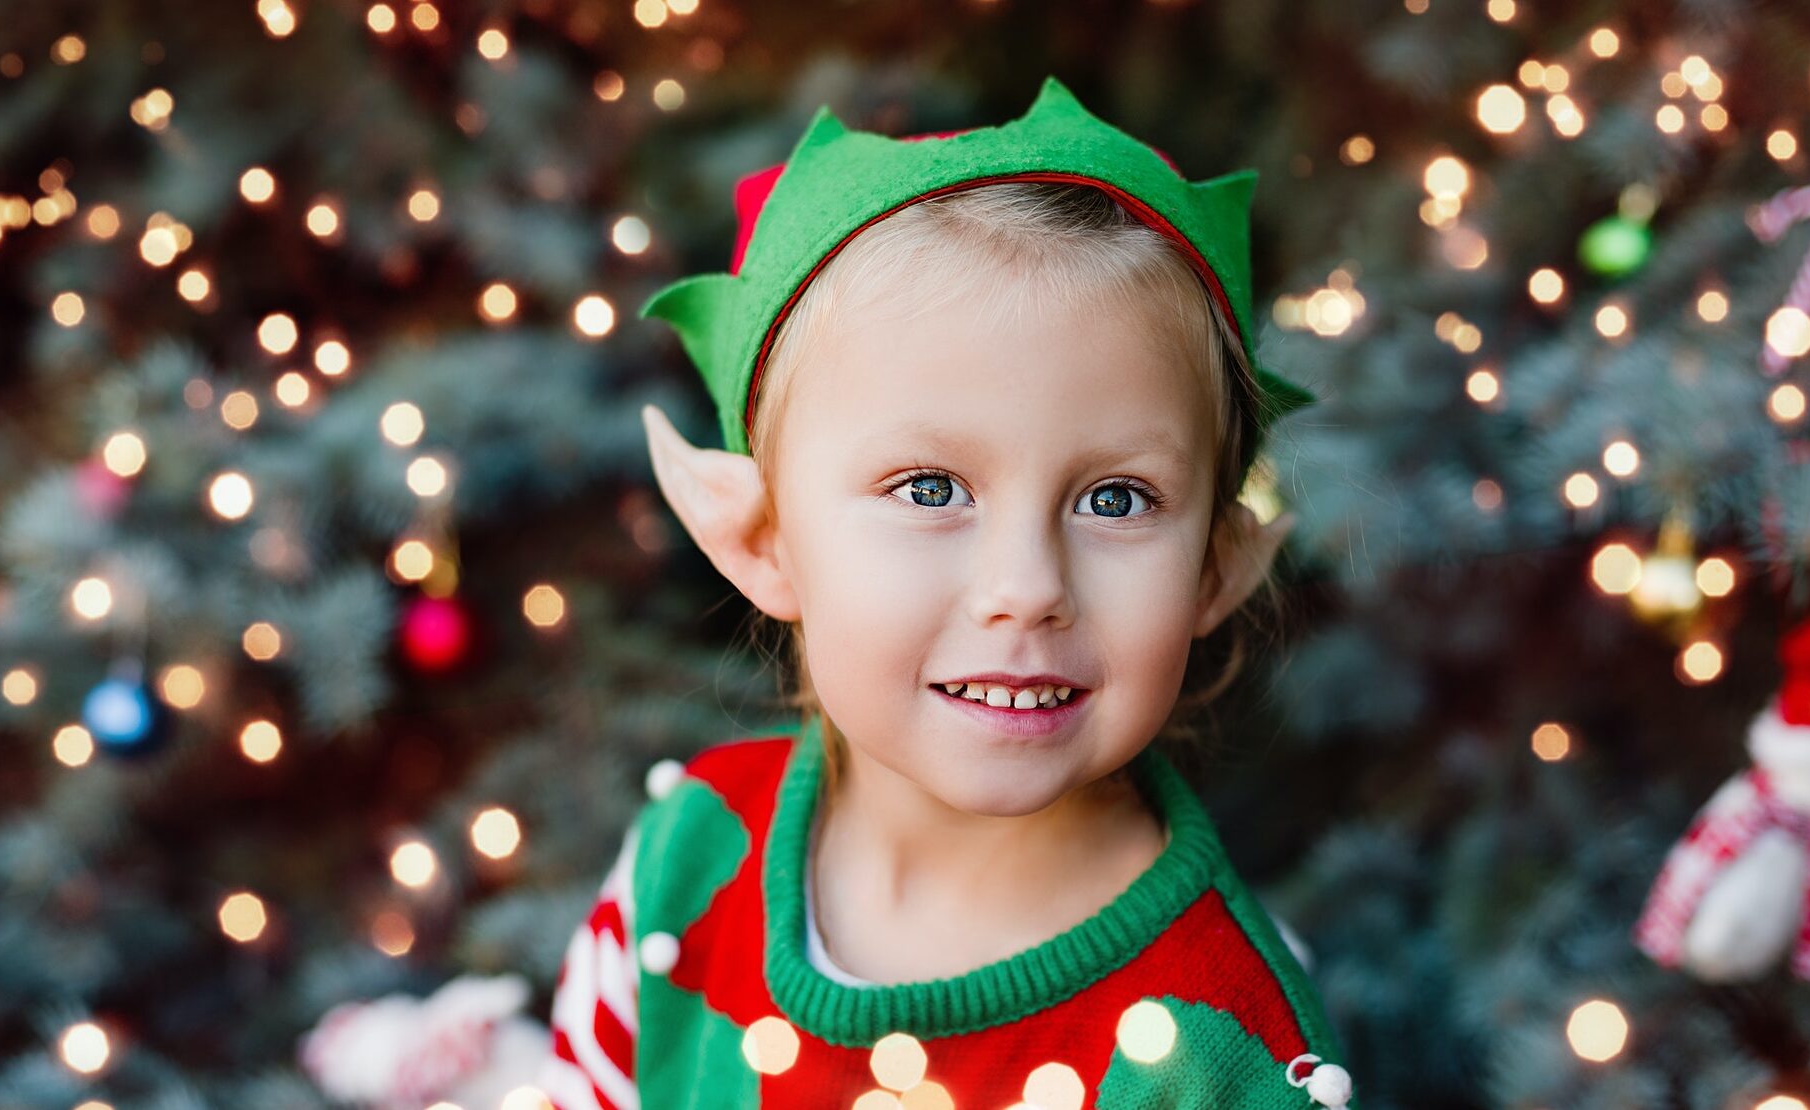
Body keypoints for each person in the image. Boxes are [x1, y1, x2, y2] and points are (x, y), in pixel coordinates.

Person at [538, 76, 1355, 1109]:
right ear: (761, 540)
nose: (1024, 590)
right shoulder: (685, 864)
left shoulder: (1221, 1049)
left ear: (1213, 567)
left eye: (1114, 498)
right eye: (929, 489)